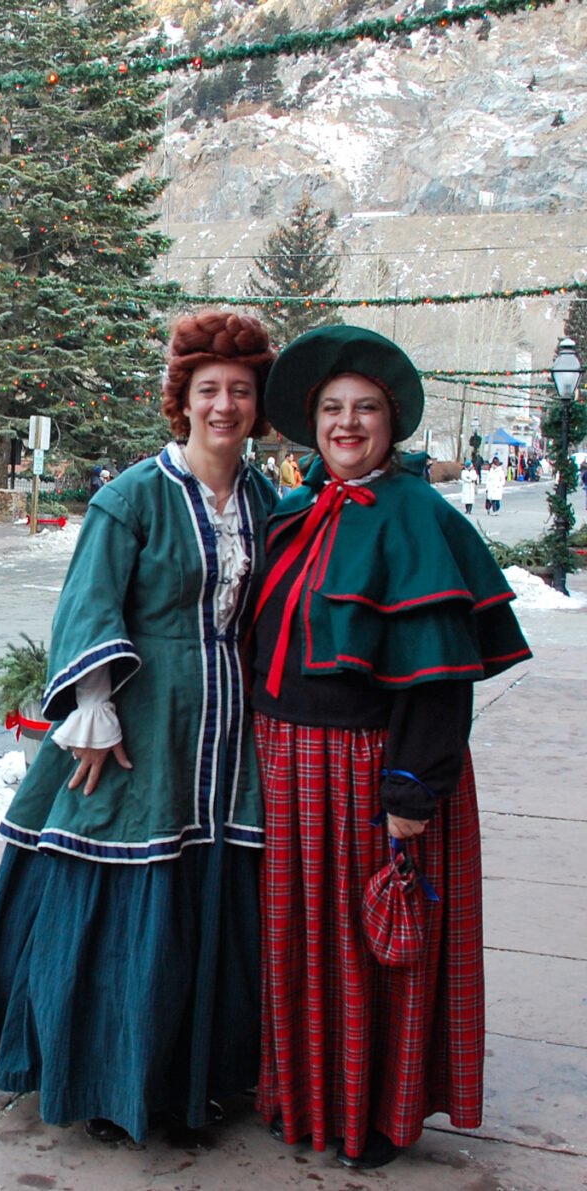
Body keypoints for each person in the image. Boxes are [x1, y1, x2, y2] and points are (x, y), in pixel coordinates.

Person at [0, 310, 278, 1142]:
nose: (225, 405)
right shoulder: (133, 496)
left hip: (231, 731)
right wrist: (92, 705)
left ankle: (197, 1073)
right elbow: (89, 603)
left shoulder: (268, 499)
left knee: (214, 888)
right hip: (139, 723)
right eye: (210, 390)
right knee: (125, 884)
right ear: (184, 400)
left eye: (240, 390)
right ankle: (103, 1074)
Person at [248, 325, 531, 1170]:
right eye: (332, 408)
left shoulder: (418, 518)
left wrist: (414, 788)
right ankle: (300, 1092)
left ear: (391, 423)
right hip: (289, 768)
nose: (346, 423)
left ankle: (372, 1112)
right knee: (299, 942)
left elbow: (443, 676)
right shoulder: (296, 510)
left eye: (364, 408)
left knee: (367, 954)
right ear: (311, 421)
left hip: (372, 771)